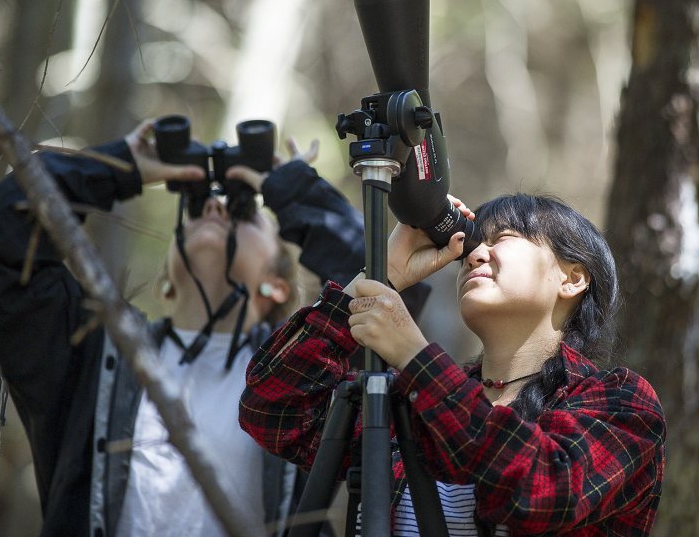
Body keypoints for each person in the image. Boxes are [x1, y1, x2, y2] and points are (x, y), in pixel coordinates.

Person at [0, 119, 412, 536]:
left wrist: (288, 188)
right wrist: (116, 165)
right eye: (198, 208)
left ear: (275, 286)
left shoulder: (307, 374)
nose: (214, 209)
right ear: (166, 281)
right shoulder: (92, 353)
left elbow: (387, 287)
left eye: (243, 212)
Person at [240, 193, 667, 536]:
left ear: (572, 278)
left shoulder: (620, 401)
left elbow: (542, 492)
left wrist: (414, 357)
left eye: (505, 237)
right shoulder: (408, 404)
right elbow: (273, 409)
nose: (476, 255)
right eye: (474, 245)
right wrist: (381, 273)